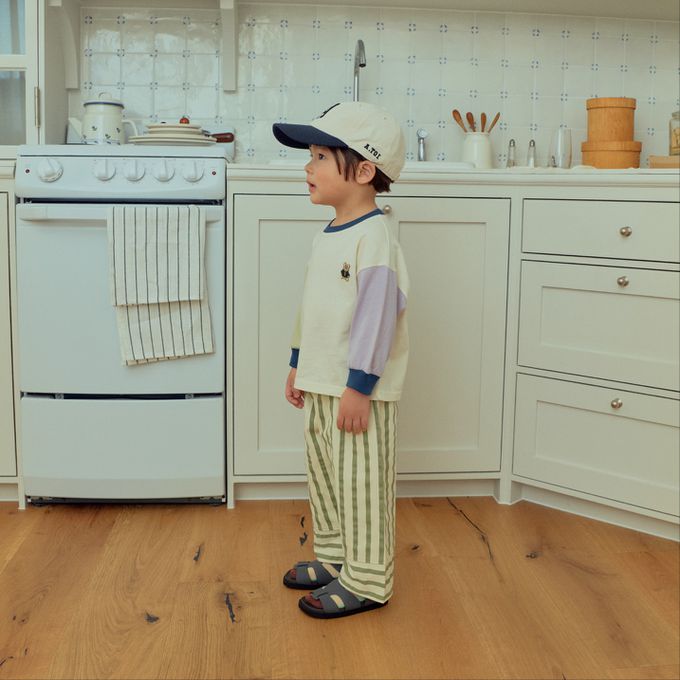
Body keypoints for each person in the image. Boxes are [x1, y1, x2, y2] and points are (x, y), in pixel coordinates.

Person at [272, 101, 409, 619]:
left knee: (362, 484)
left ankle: (369, 579)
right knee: (327, 476)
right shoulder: (327, 235)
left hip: (356, 390)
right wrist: (298, 362)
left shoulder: (375, 239)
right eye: (310, 156)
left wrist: (360, 385)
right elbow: (313, 306)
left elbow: (377, 318)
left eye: (320, 157)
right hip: (321, 381)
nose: (308, 168)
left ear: (365, 171)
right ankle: (335, 557)